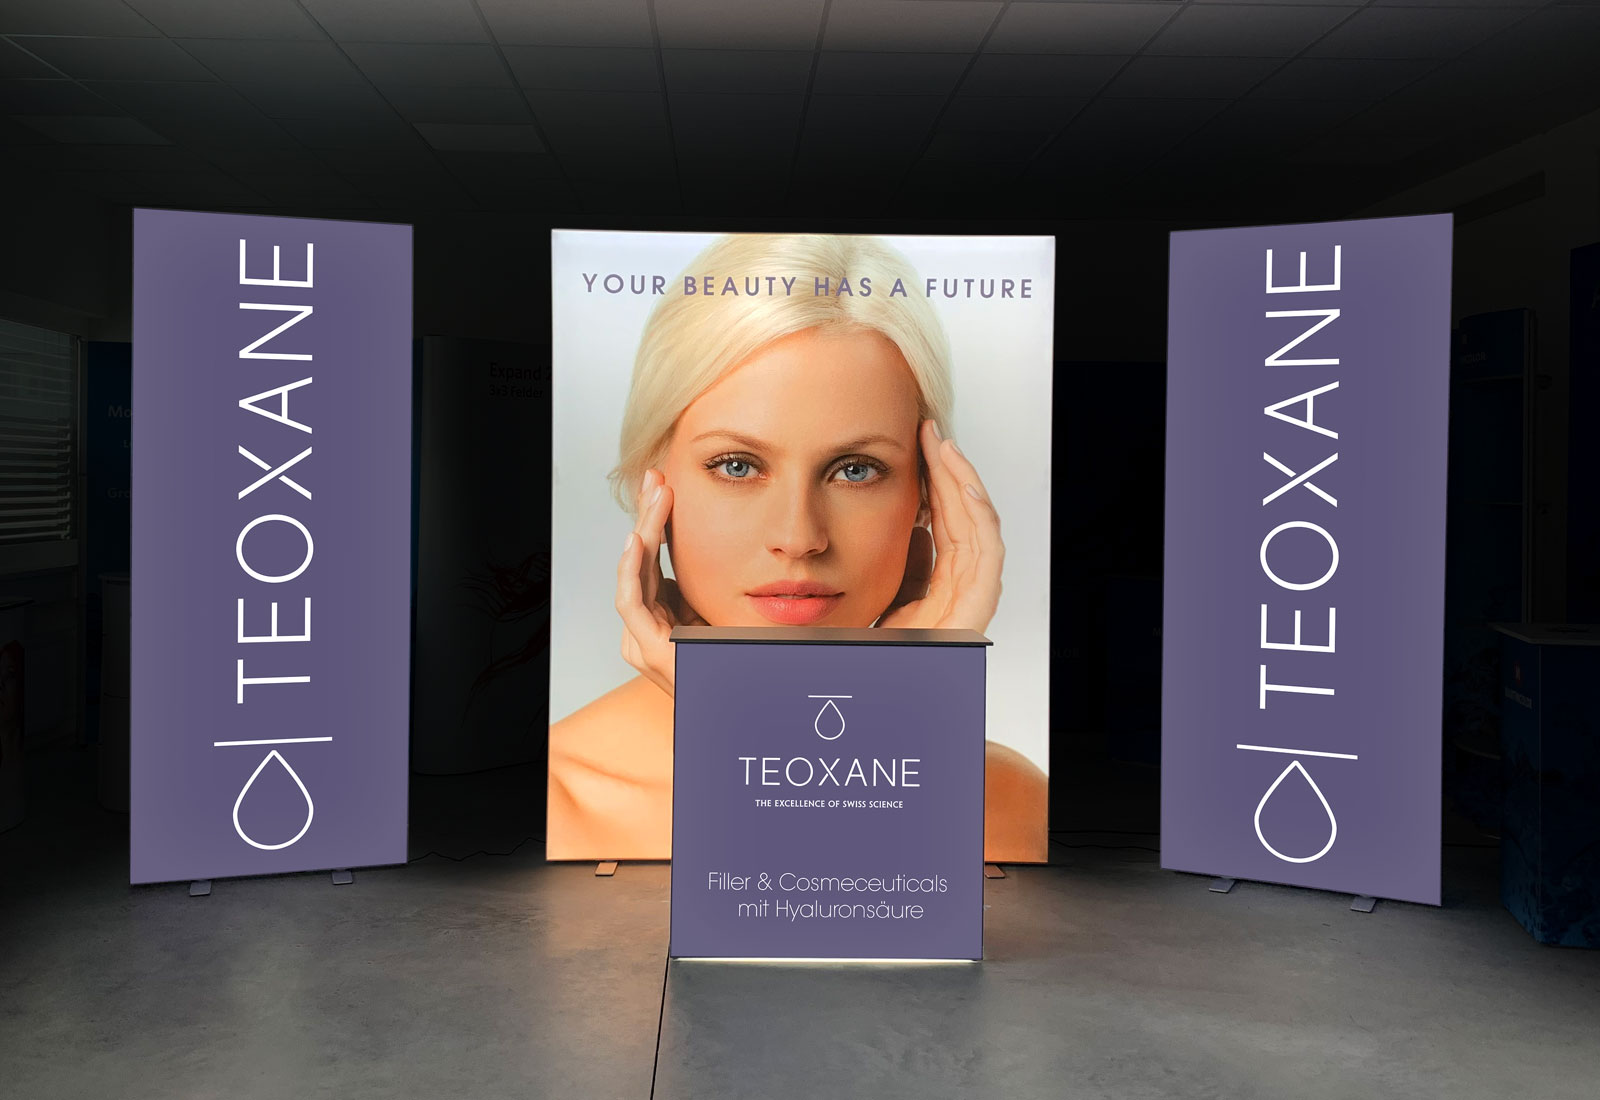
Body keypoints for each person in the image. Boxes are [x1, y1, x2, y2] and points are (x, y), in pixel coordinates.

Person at [548, 234, 1047, 862]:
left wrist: (771, 719)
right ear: (651, 484)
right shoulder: (553, 800)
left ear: (927, 495)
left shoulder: (1007, 805)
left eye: (855, 470)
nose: (798, 539)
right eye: (736, 465)